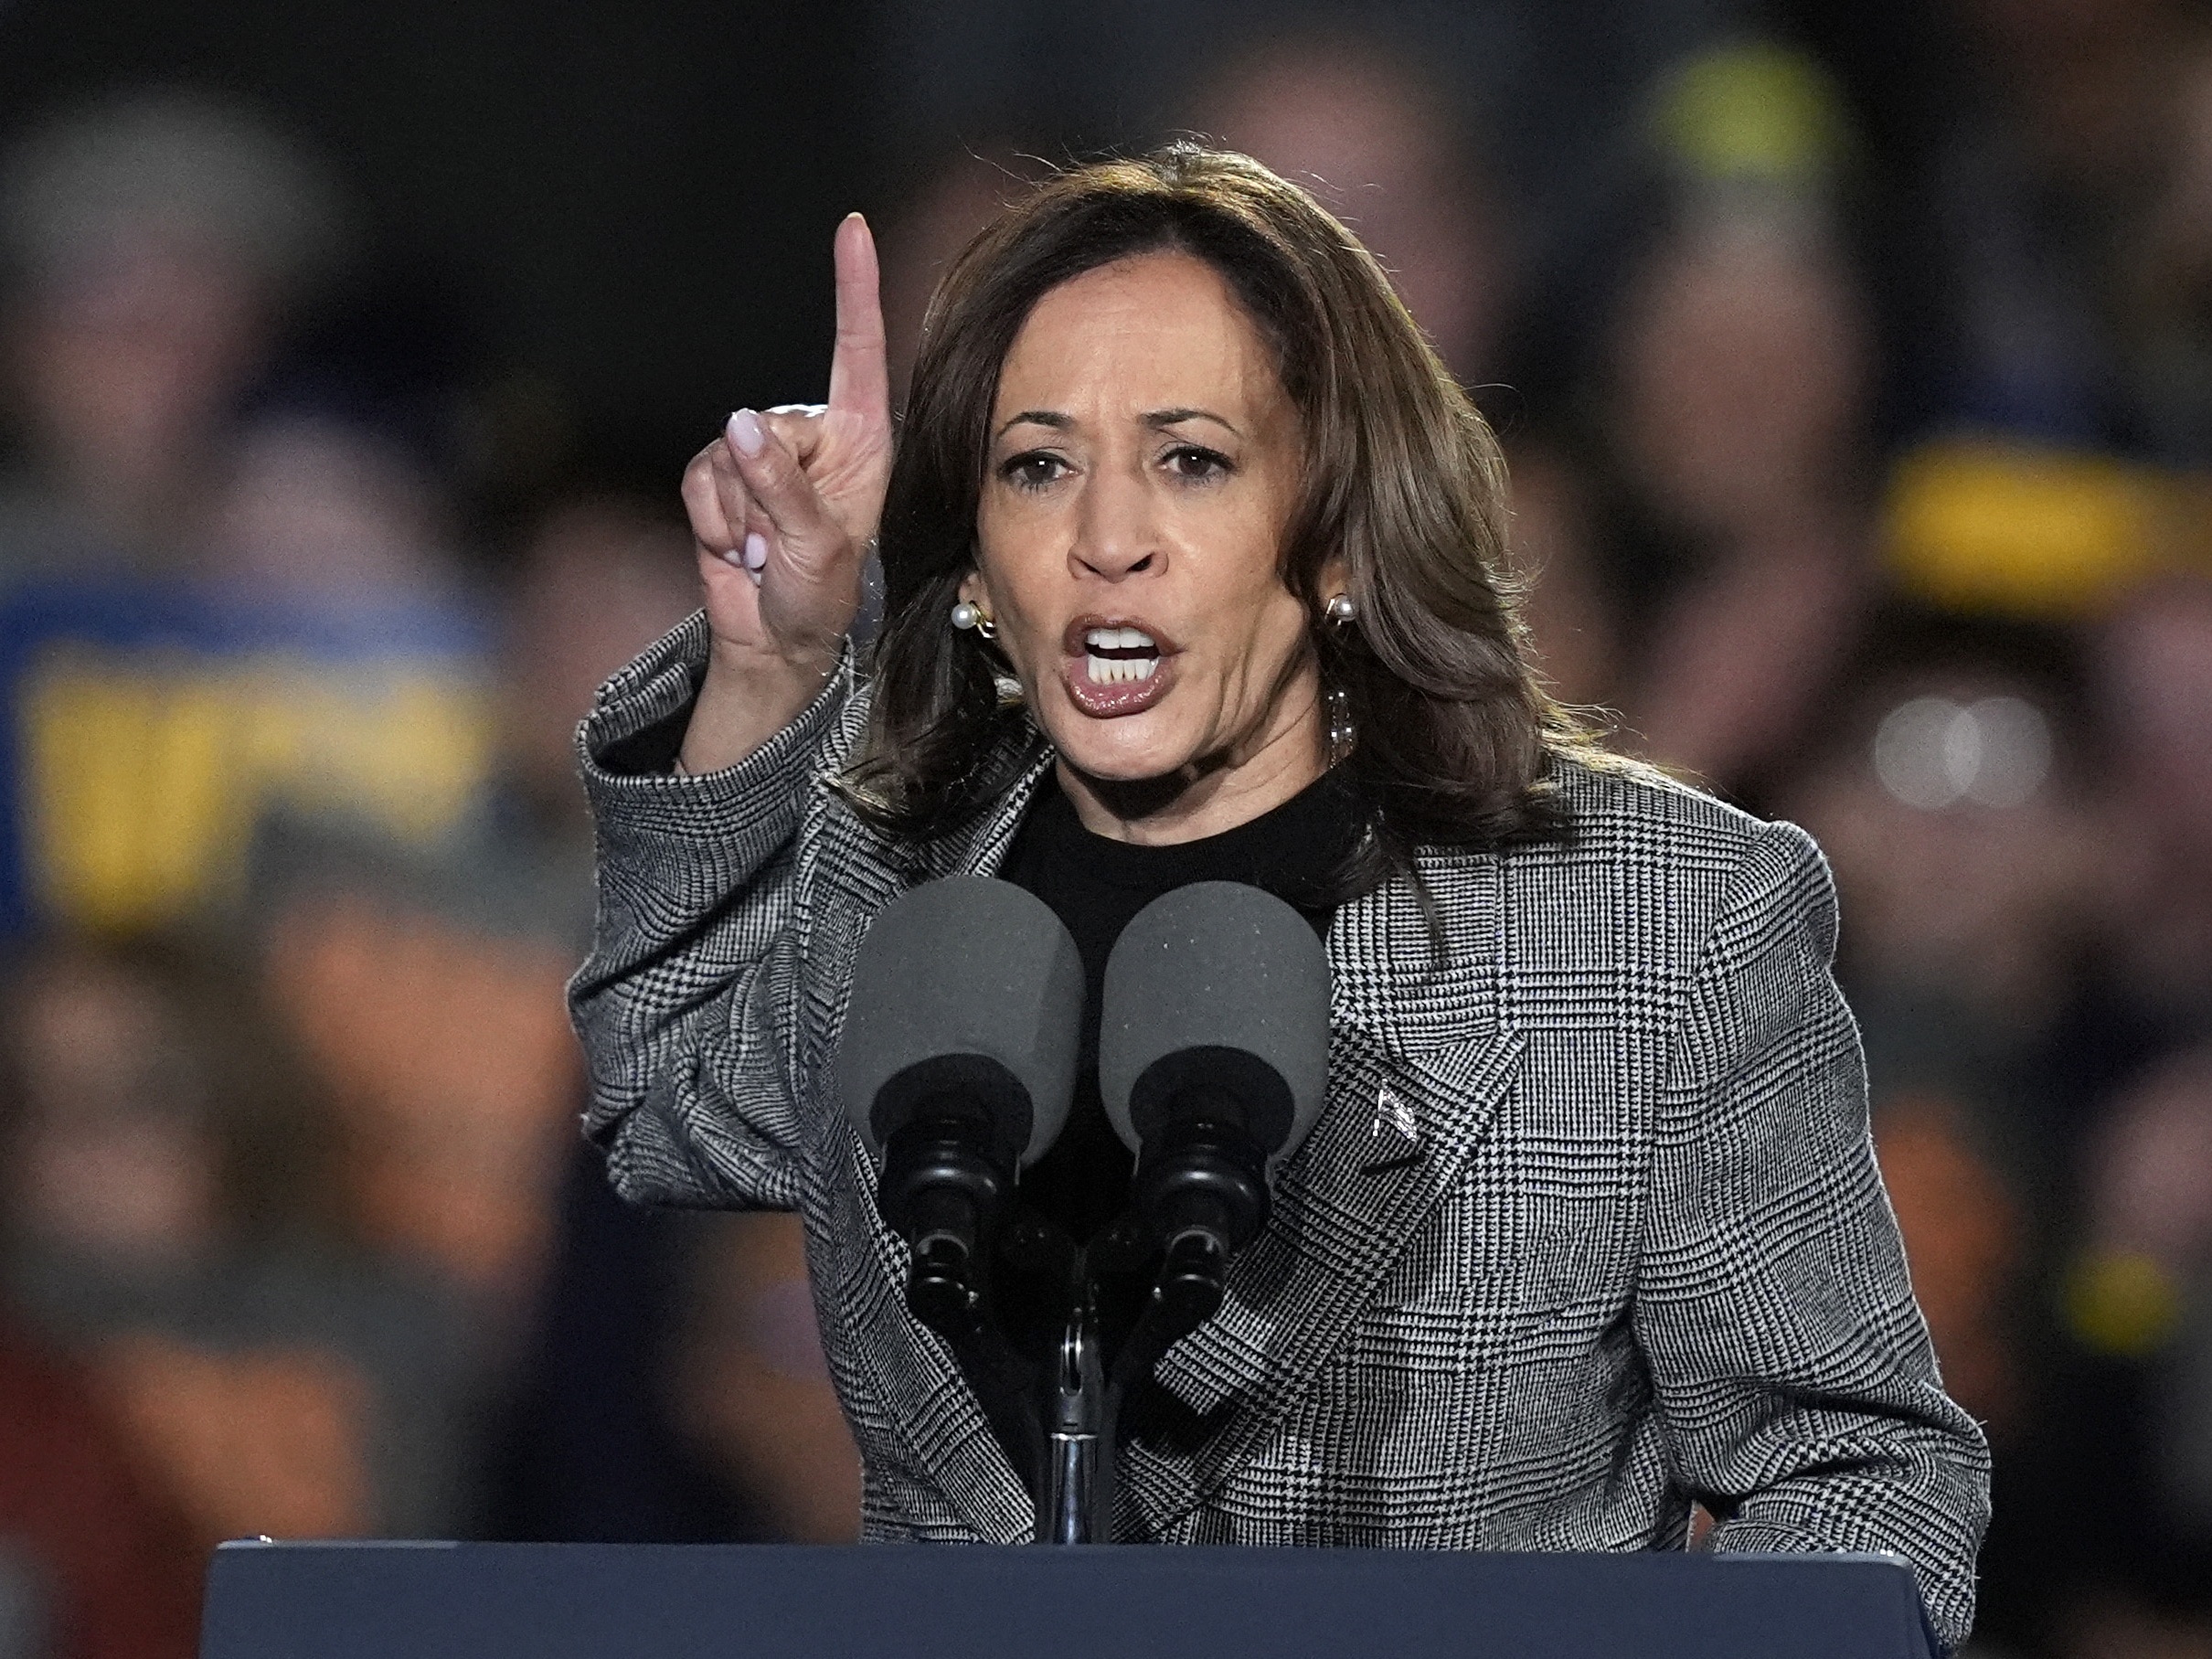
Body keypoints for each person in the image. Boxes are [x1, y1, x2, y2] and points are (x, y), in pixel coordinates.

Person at [569, 146, 1990, 1649]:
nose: (1108, 538)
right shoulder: (900, 881)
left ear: (1328, 532)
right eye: (1037, 465)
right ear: (979, 563)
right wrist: (774, 666)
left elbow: (1858, 1474)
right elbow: (662, 1108)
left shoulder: (1657, 924)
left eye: (1193, 459)